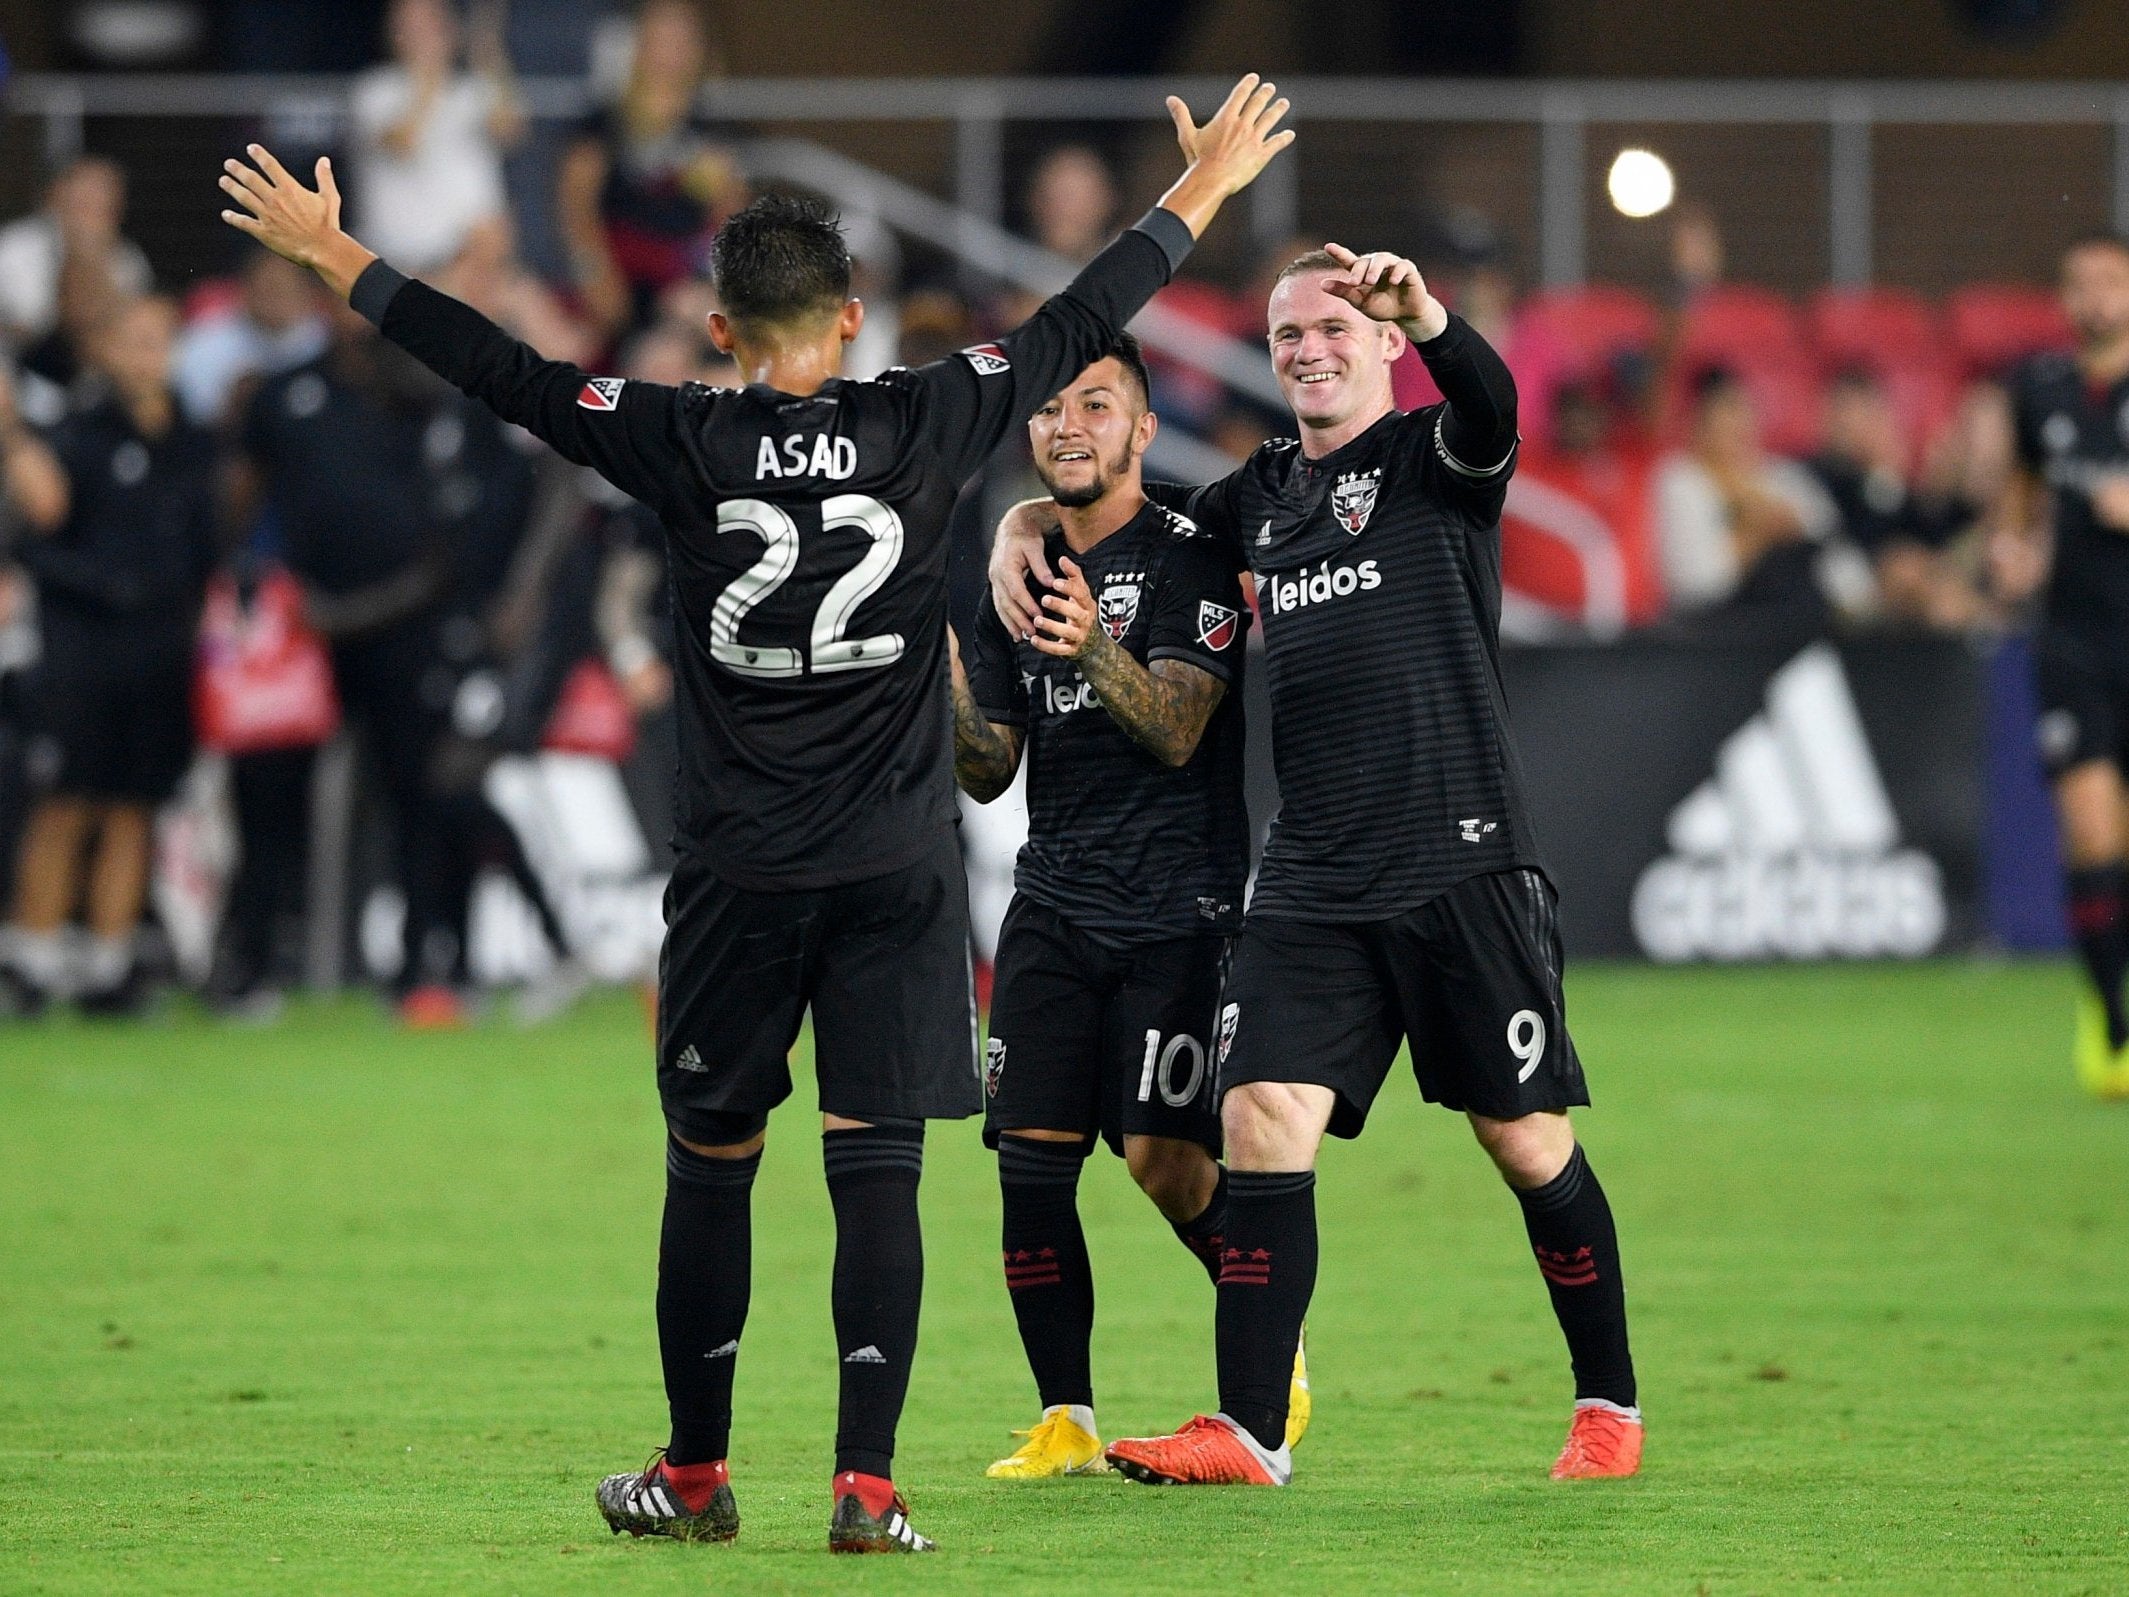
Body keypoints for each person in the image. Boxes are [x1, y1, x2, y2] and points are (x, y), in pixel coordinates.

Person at [217, 71, 1292, 1550]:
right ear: (851, 317)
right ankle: (866, 1483)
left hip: (734, 873)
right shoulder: (931, 415)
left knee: (711, 1163)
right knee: (879, 1169)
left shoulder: (678, 433)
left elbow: (508, 372)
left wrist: (342, 261)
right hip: (896, 869)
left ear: (720, 331)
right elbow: (1076, 312)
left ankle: (702, 1472)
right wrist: (1205, 190)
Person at [992, 243, 1641, 1487]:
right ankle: (1247, 1429)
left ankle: (1605, 1400)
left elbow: (1494, 408)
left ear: (1384, 345)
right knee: (1256, 1116)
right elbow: (1128, 518)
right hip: (1309, 875)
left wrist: (1434, 314)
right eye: (1287, 332)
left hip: (1456, 855)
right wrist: (1021, 521)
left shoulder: (1434, 459)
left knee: (1522, 1138)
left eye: (1335, 328)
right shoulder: (1257, 497)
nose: (1307, 348)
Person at [949, 334, 1293, 1479]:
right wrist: (932, 666)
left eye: (1095, 405)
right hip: (1050, 901)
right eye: (1049, 409)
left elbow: (1179, 728)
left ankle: (1268, 1344)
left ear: (1141, 431)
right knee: (1030, 1168)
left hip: (1177, 908)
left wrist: (1091, 644)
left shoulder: (1189, 552)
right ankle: (1066, 1418)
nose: (1068, 425)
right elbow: (986, 766)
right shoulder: (1015, 566)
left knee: (1160, 1161)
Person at [0, 298, 218, 1015]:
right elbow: (37, 539)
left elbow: (209, 542)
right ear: (107, 349)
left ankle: (107, 961)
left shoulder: (194, 440)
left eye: (158, 340)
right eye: (131, 340)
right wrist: (108, 585)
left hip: (163, 652)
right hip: (81, 650)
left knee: (134, 807)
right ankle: (30, 959)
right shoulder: (78, 436)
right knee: (65, 803)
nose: (145, 355)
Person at [2005, 232, 2129, 1098]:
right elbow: (2018, 492)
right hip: (2073, 643)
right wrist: (2012, 548)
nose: (2092, 297)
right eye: (2077, 281)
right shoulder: (2039, 389)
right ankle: (2106, 1018)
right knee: (2091, 832)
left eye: (2109, 281)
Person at [555, 0, 749, 341]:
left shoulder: (712, 131)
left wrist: (711, 284)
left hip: (683, 285)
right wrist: (594, 273)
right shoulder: (603, 124)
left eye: (683, 39)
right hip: (614, 278)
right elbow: (576, 204)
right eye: (661, 36)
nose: (672, 51)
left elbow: (730, 217)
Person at [1654, 366, 1858, 627]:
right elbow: (1695, 586)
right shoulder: (1680, 479)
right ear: (1698, 422)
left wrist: (1793, 527)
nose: (1741, 424)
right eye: (1728, 411)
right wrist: (1757, 536)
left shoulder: (1787, 477)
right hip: (1723, 629)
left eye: (1746, 410)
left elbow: (1844, 567)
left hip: (1806, 620)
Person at [347, 0, 525, 274]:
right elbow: (403, 144)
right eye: (411, 26)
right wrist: (429, 77)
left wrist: (489, 56)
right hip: (407, 260)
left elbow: (512, 132)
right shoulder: (375, 90)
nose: (425, 34)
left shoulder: (470, 89)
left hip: (478, 254)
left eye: (432, 23)